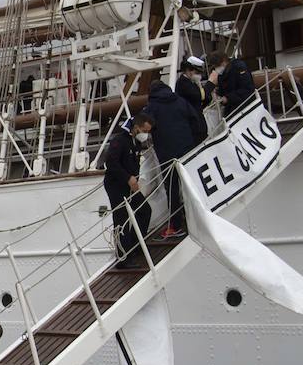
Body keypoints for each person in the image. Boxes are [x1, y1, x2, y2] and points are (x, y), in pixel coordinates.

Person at [145, 79, 203, 237]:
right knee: (191, 184)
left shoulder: (152, 107)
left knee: (172, 188)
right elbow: (195, 120)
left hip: (167, 154)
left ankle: (176, 225)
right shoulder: (180, 101)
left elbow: (145, 128)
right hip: (187, 150)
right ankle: (200, 215)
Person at [103, 113, 156, 268]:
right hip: (116, 184)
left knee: (144, 210)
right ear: (136, 127)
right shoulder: (119, 141)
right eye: (144, 130)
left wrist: (135, 178)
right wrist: (128, 178)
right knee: (121, 219)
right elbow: (111, 163)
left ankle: (135, 244)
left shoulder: (135, 142)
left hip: (130, 184)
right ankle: (123, 258)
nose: (145, 134)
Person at [208, 49, 255, 115]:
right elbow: (223, 90)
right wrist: (217, 93)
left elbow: (247, 89)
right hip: (231, 107)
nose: (216, 68)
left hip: (245, 106)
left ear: (224, 61)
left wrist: (228, 98)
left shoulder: (239, 67)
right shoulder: (221, 74)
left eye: (217, 65)